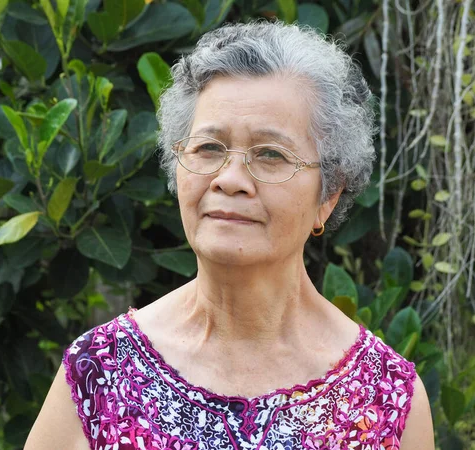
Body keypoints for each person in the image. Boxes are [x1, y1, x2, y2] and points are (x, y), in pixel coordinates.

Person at [25, 21, 435, 449]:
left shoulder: (386, 400)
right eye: (209, 148)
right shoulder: (99, 372)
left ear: (328, 193)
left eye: (271, 155)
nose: (230, 179)